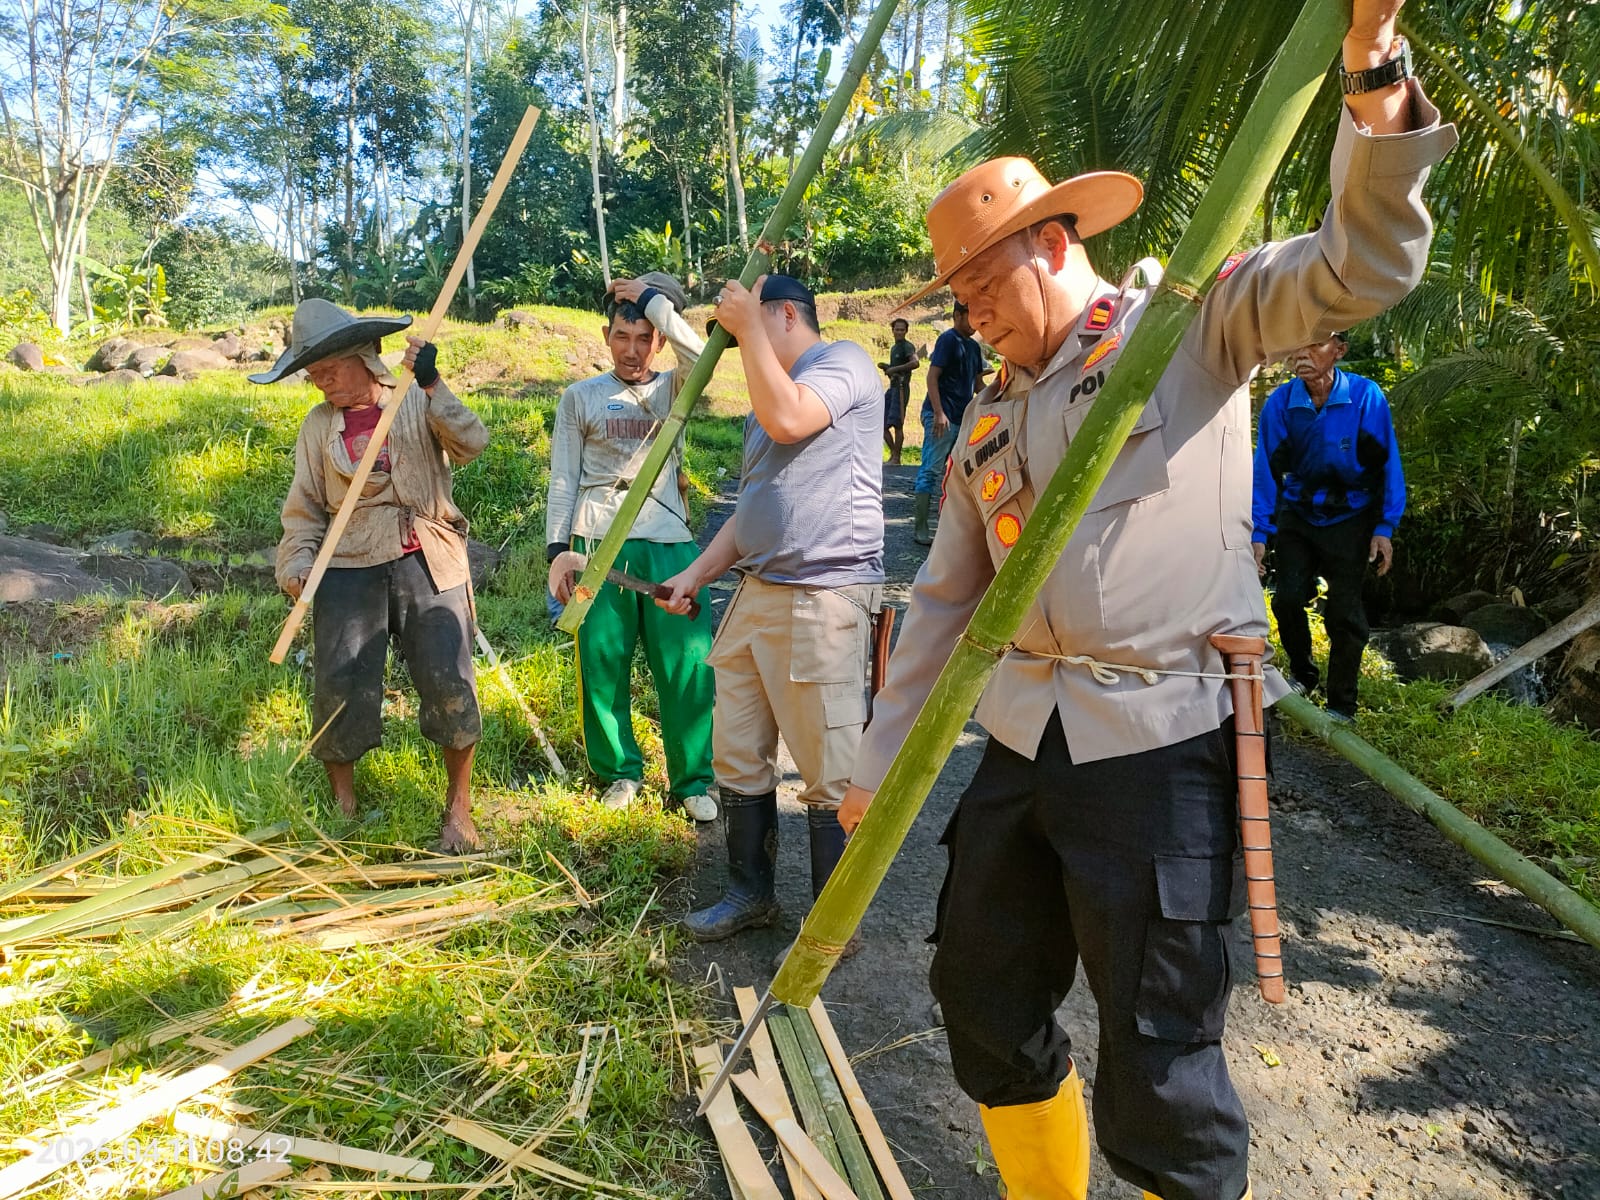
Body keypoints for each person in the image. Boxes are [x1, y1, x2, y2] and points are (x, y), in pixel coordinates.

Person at [836, 6, 1457, 1198]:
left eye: (983, 281)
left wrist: (1373, 72)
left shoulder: (1187, 324)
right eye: (957, 292)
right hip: (1021, 735)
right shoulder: (988, 417)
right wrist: (876, 766)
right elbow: (943, 600)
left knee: (1159, 1060)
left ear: (1054, 242)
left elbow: (1362, 265)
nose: (970, 310)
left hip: (1159, 743)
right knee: (979, 994)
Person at [656, 274, 884, 942]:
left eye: (753, 327)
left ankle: (831, 929)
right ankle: (748, 894)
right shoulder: (767, 397)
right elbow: (753, 509)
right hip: (758, 593)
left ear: (784, 315)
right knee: (737, 754)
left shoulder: (843, 362)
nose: (744, 345)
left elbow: (792, 418)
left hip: (822, 594)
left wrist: (747, 328)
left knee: (830, 770)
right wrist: (694, 574)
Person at [255, 299, 489, 853]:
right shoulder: (318, 427)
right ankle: (344, 808)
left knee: (449, 679)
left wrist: (432, 384)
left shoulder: (412, 399)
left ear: (364, 358)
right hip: (347, 561)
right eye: (314, 375)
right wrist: (297, 565)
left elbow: (471, 443)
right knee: (339, 685)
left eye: (331, 371)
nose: (322, 384)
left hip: (425, 554)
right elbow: (304, 509)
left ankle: (459, 809)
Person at [545, 273, 718, 822]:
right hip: (597, 541)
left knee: (687, 663)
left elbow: (702, 353)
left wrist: (650, 299)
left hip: (668, 541)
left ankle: (693, 780)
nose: (632, 350)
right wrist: (557, 551)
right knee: (602, 661)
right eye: (622, 336)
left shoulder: (674, 388)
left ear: (659, 341)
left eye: (645, 338)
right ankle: (620, 772)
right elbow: (563, 479)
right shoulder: (580, 397)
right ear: (606, 336)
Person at [1252, 333, 1405, 722]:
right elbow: (1265, 471)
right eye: (1297, 346)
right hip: (1299, 512)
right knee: (1286, 599)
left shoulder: (1365, 397)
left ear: (1339, 350)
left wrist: (1384, 527)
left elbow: (1387, 464)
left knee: (1344, 612)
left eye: (1316, 345)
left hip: (1352, 515)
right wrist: (1259, 533)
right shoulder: (1281, 404)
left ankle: (1341, 705)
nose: (1302, 355)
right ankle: (1303, 675)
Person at [913, 301, 987, 544]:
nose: (974, 321)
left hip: (961, 418)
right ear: (957, 315)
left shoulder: (974, 348)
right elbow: (932, 377)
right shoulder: (948, 340)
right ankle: (920, 529)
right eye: (970, 315)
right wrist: (938, 413)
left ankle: (947, 531)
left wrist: (1001, 397)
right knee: (931, 471)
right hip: (941, 416)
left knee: (955, 475)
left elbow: (978, 385)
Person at [878, 317, 917, 465]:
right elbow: (896, 369)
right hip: (892, 388)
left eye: (902, 330)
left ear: (906, 331)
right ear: (892, 331)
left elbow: (915, 363)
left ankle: (896, 457)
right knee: (881, 423)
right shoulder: (894, 348)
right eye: (897, 329)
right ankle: (894, 454)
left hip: (901, 388)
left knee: (898, 424)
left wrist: (894, 369)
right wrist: (888, 368)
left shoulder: (907, 346)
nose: (899, 332)